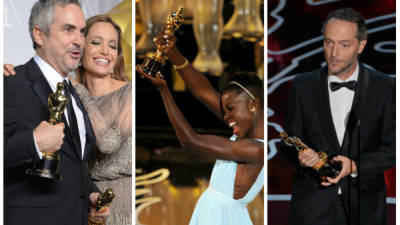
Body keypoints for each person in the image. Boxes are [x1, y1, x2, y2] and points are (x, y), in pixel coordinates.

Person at [4, 14, 132, 225]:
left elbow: (108, 143)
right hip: (83, 208)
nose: (104, 51)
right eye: (96, 42)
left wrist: (78, 90)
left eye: (113, 45)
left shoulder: (126, 93)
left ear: (118, 55)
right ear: (80, 48)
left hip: (123, 206)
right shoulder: (58, 90)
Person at [280, 8, 395, 225]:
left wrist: (354, 166)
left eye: (344, 45)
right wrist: (302, 158)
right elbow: (288, 142)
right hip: (312, 207)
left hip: (365, 208)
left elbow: (393, 148)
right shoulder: (302, 85)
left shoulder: (386, 88)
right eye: (328, 43)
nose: (334, 53)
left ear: (361, 45)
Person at [137, 35, 264, 224]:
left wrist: (164, 91)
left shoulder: (255, 149)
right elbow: (203, 92)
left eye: (230, 109)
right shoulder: (244, 131)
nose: (226, 117)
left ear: (253, 104)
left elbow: (191, 141)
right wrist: (173, 53)